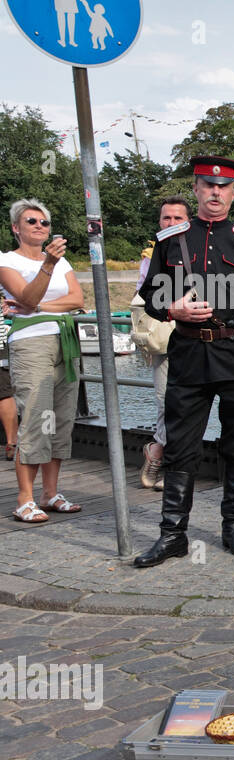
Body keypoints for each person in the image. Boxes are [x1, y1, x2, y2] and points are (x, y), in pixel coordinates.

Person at [133, 155, 234, 567]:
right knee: (181, 448)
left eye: (224, 188)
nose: (216, 193)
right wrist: (173, 310)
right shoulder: (171, 240)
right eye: (208, 186)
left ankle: (232, 527)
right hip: (189, 354)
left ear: (233, 193)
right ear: (197, 190)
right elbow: (151, 297)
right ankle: (173, 535)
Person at [0, 199, 84, 523]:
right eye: (31, 221)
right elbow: (28, 295)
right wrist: (46, 265)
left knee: (60, 419)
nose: (39, 226)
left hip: (65, 340)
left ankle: (50, 493)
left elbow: (78, 299)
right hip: (31, 343)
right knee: (36, 416)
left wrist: (36, 307)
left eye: (44, 222)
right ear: (15, 228)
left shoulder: (62, 262)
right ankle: (24, 498)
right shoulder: (7, 260)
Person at [132, 196, 190, 491]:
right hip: (167, 335)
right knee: (166, 401)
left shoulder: (200, 247)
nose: (171, 223)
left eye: (178, 218)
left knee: (189, 404)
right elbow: (147, 295)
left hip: (200, 337)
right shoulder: (152, 253)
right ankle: (163, 459)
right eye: (166, 218)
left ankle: (159, 451)